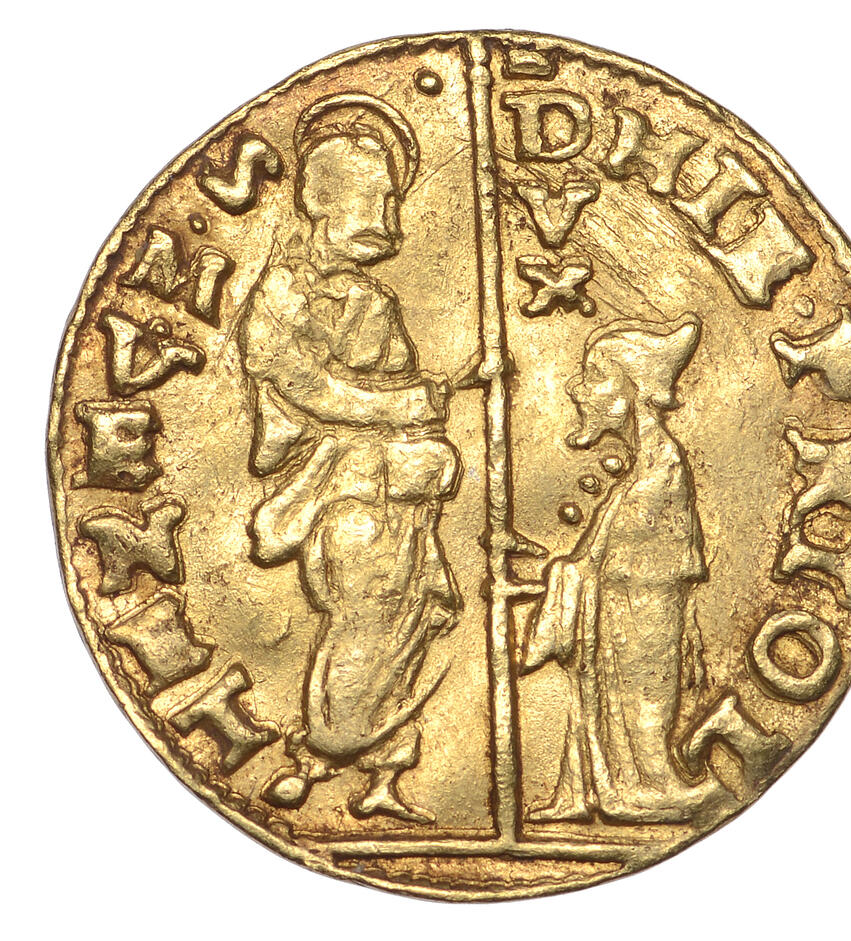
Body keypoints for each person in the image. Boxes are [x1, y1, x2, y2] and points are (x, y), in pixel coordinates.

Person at [235, 94, 466, 823]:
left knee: (410, 616)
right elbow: (310, 389)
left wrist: (440, 400)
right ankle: (326, 748)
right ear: (320, 199)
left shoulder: (377, 301)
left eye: (392, 201)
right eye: (374, 198)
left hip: (402, 497)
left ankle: (383, 777)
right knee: (365, 617)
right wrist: (418, 403)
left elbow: (393, 391)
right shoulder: (282, 294)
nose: (387, 218)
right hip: (343, 499)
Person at [518, 317, 727, 823]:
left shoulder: (659, 473)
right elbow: (596, 563)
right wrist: (563, 575)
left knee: (640, 710)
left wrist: (565, 580)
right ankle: (589, 792)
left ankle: (649, 789)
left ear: (632, 392)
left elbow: (620, 569)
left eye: (595, 376)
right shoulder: (640, 470)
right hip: (623, 609)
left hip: (641, 613)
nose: (577, 388)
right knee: (616, 701)